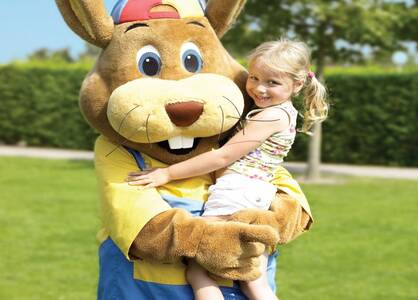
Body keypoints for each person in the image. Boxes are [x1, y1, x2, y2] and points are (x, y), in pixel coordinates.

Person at [126, 39, 328, 300]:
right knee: (254, 280)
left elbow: (223, 156)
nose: (259, 88)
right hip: (255, 195)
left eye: (272, 83)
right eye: (254, 77)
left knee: (198, 272)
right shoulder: (283, 112)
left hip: (235, 194)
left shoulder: (270, 116)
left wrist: (167, 174)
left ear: (297, 85)